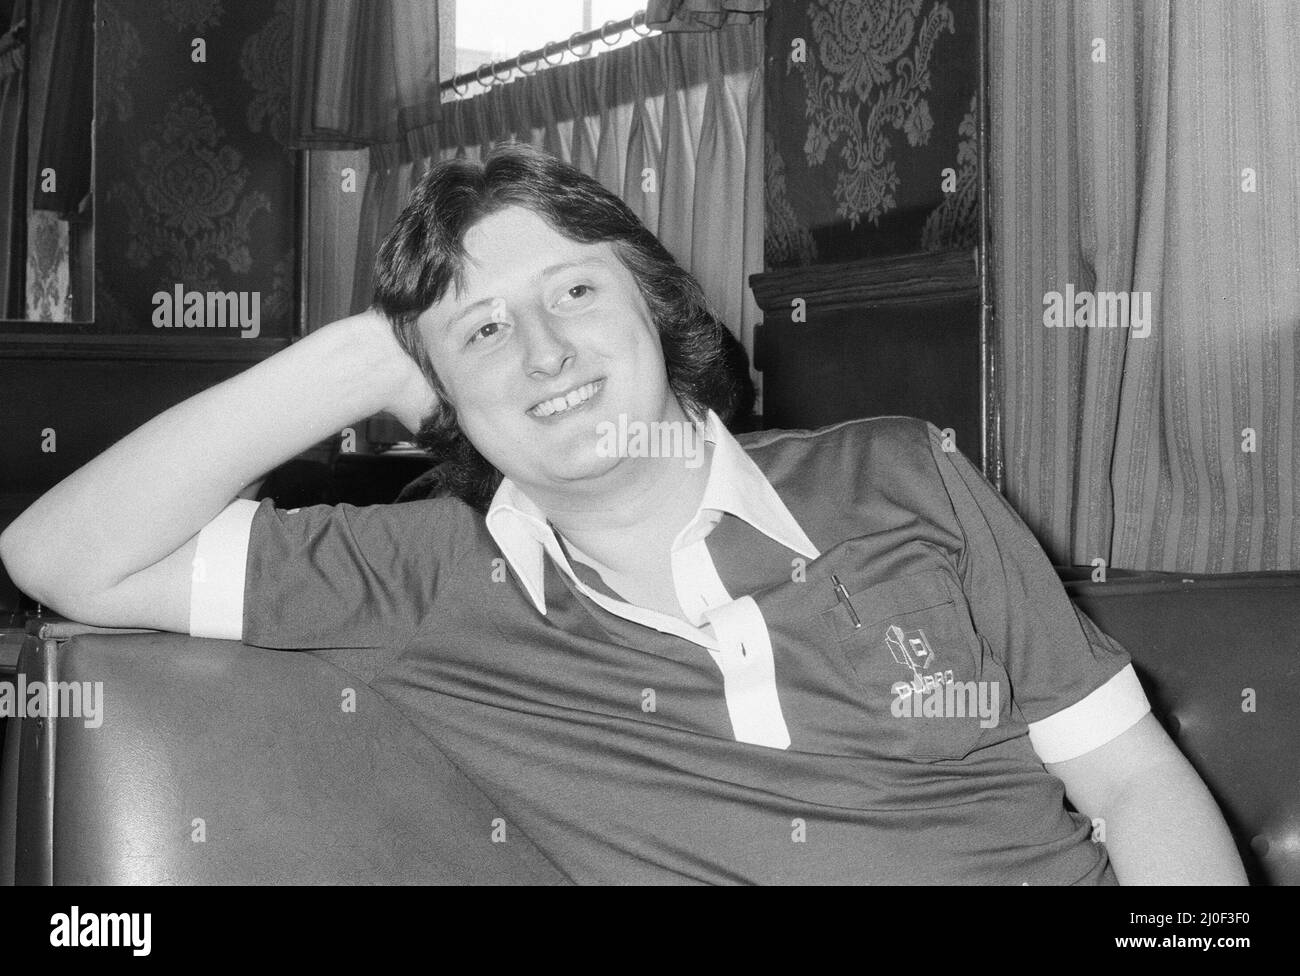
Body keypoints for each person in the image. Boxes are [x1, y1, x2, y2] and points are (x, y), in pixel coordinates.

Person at [0, 143, 1246, 885]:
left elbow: (1134, 784)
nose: (544, 353)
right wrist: (354, 361)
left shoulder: (902, 475)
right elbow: (57, 555)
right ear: (435, 397)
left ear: (651, 306)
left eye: (574, 291)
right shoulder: (425, 578)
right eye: (481, 331)